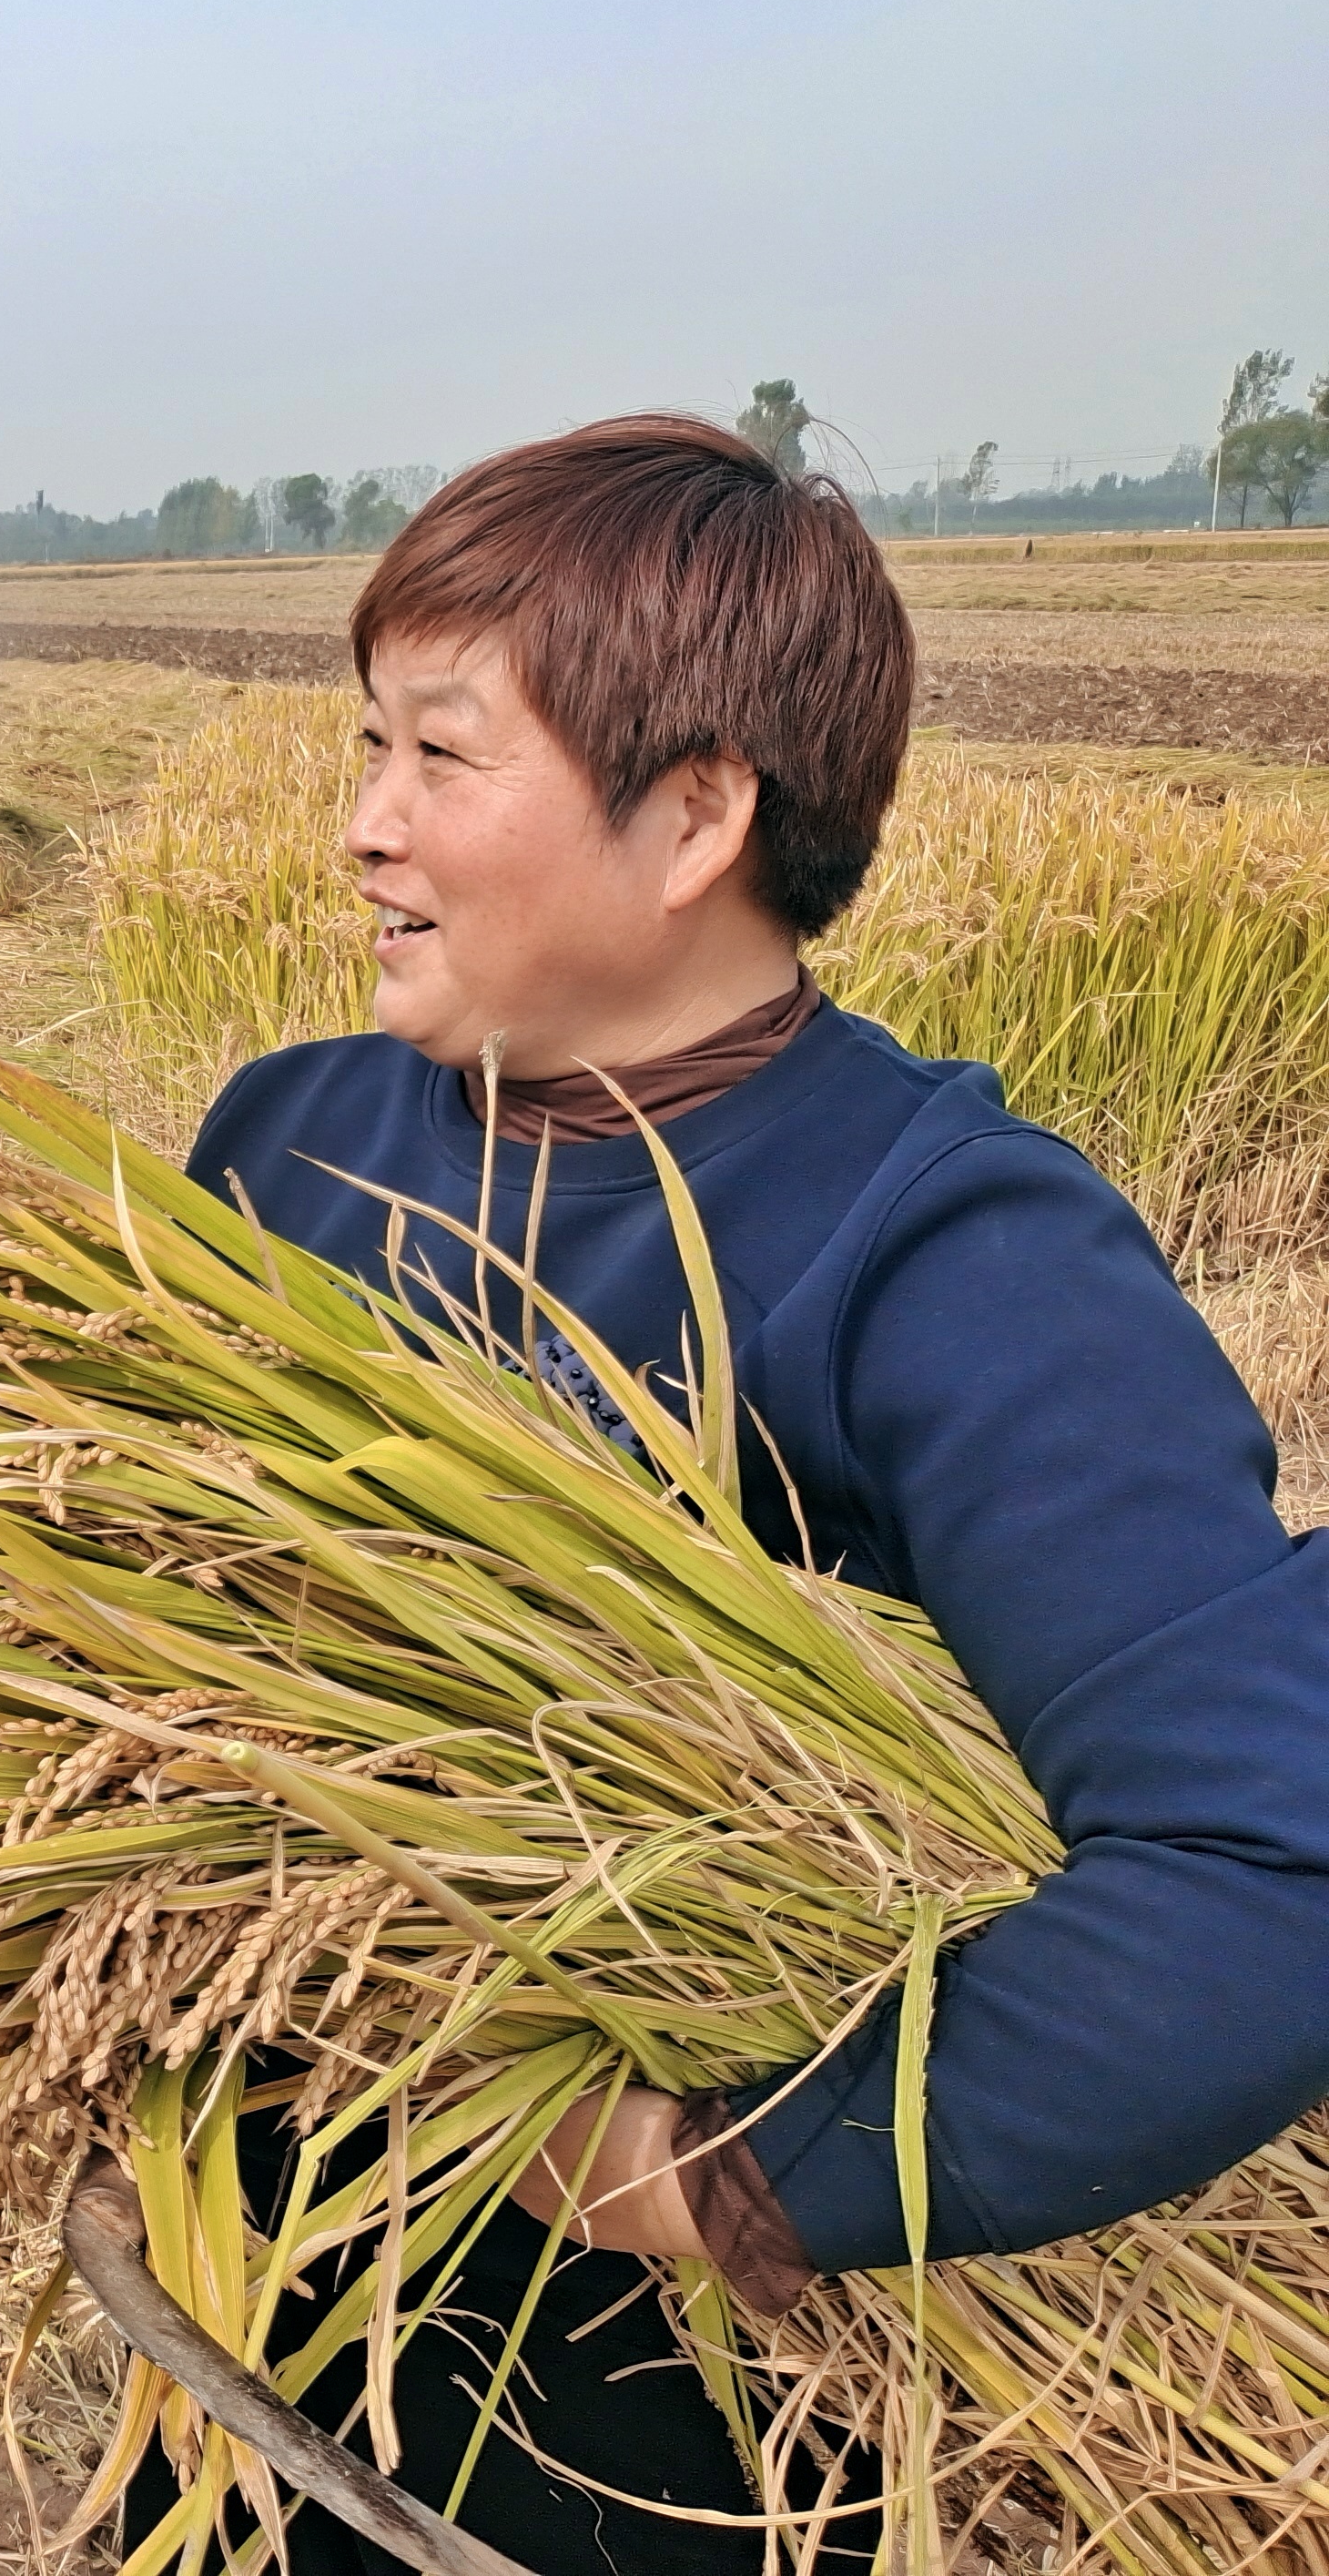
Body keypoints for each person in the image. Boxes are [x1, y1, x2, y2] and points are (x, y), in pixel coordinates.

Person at [174, 413, 1329, 2571]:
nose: (361, 824)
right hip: (252, 2285)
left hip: (664, 2427)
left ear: (695, 814)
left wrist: (696, 2175)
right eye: (364, 746)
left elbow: (1267, 1866)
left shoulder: (946, 1253)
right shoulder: (286, 1141)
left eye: (439, 755)